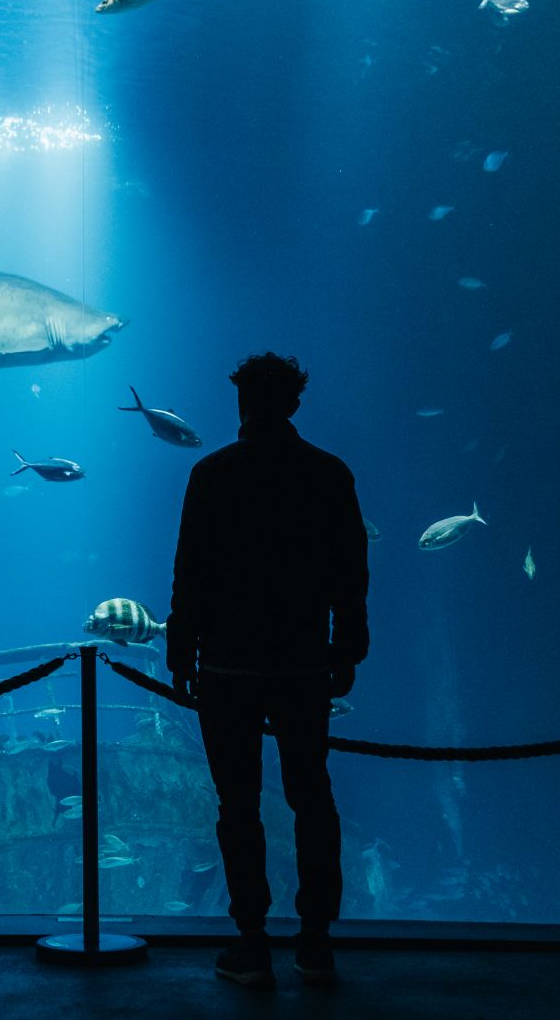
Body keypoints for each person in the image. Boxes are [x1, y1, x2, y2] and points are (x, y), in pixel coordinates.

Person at [166, 352, 369, 988]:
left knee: (238, 803)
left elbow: (190, 573)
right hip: (305, 664)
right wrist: (348, 648)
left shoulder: (212, 473)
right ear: (295, 403)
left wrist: (181, 651)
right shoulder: (329, 474)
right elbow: (350, 573)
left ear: (241, 401)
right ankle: (316, 940)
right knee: (312, 796)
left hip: (227, 666)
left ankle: (251, 941)